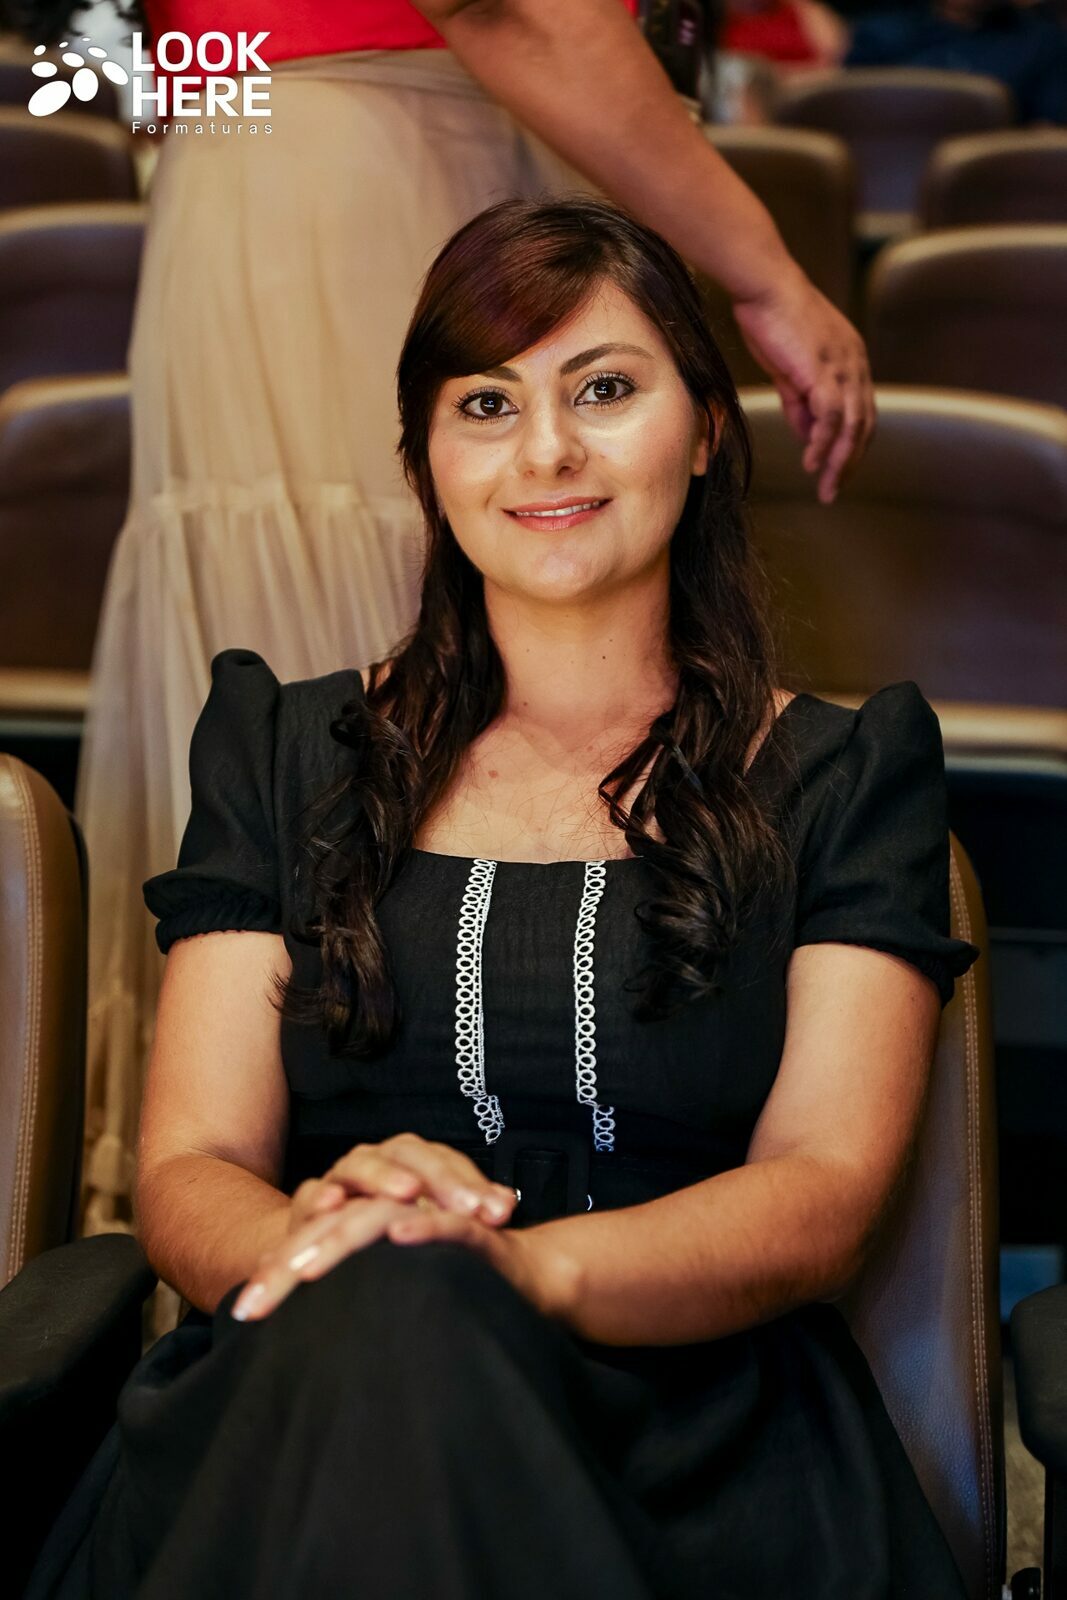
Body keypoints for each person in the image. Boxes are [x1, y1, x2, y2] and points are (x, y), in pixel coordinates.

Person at [27, 195, 973, 1600]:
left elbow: (821, 1189)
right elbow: (191, 1162)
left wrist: (502, 1274)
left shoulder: (845, 771)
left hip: (692, 1432)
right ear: (423, 462)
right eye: (485, 403)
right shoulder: (278, 747)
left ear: (706, 430)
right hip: (310, 1385)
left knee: (418, 1325)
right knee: (393, 1339)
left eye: (604, 389)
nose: (545, 452)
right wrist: (326, 1249)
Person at [10, 0, 876, 1245]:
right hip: (382, 142)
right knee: (376, 733)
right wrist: (765, 274)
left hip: (347, 133)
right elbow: (514, 10)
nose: (544, 437)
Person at [845, 0, 1067, 123]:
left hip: (1002, 182)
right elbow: (851, 125)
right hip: (886, 176)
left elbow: (1046, 137)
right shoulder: (878, 36)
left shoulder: (1043, 43)